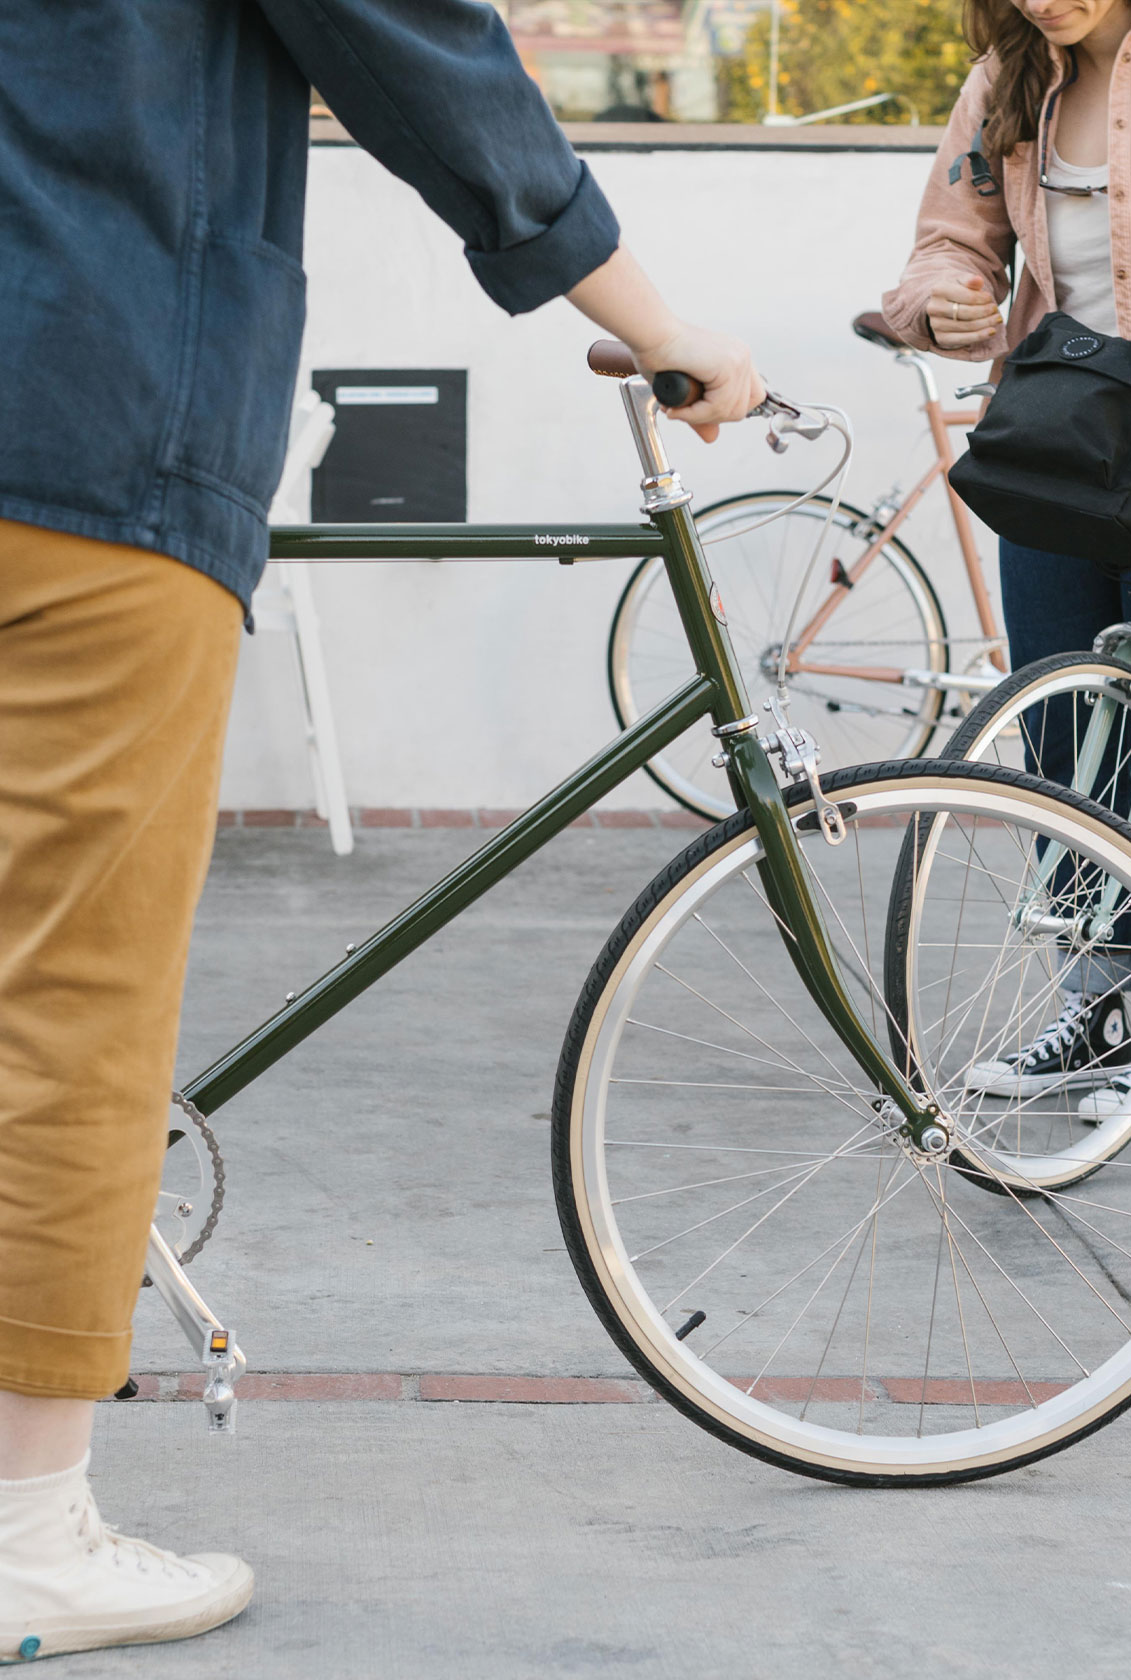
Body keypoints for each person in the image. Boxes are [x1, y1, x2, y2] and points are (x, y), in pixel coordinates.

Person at [0, 0, 763, 1663]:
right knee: (67, 1002)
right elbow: (410, 41)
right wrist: (652, 315)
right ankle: (28, 1534)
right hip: (81, 406)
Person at [881, 0, 1131, 1121]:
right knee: (1061, 738)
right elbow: (948, 244)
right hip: (1064, 453)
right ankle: (1097, 1010)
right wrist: (941, 305)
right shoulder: (1007, 80)